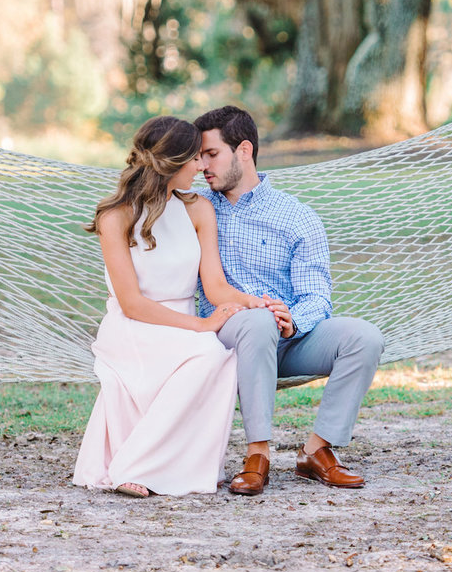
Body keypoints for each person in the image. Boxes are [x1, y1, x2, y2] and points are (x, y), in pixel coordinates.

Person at [193, 105, 385, 495]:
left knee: (364, 338)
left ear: (244, 150)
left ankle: (316, 451)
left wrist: (291, 320)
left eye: (211, 154)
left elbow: (317, 297)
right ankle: (257, 455)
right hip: (224, 338)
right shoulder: (195, 209)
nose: (202, 167)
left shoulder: (296, 216)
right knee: (258, 320)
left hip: (287, 340)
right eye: (199, 157)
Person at [73, 116, 266, 498]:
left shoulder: (198, 209)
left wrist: (252, 302)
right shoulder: (115, 216)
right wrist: (200, 326)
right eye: (194, 158)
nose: (201, 166)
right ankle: (135, 468)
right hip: (133, 326)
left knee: (216, 356)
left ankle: (165, 465)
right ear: (170, 163)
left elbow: (215, 286)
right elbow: (131, 303)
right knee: (208, 353)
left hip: (180, 325)